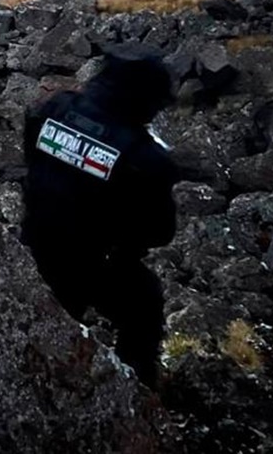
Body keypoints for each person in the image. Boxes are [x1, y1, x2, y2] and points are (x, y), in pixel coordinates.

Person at [20, 48, 179, 387]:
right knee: (144, 305)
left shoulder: (54, 108)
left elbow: (30, 152)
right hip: (92, 261)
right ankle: (136, 393)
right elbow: (160, 231)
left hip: (32, 242)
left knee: (42, 323)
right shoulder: (145, 158)